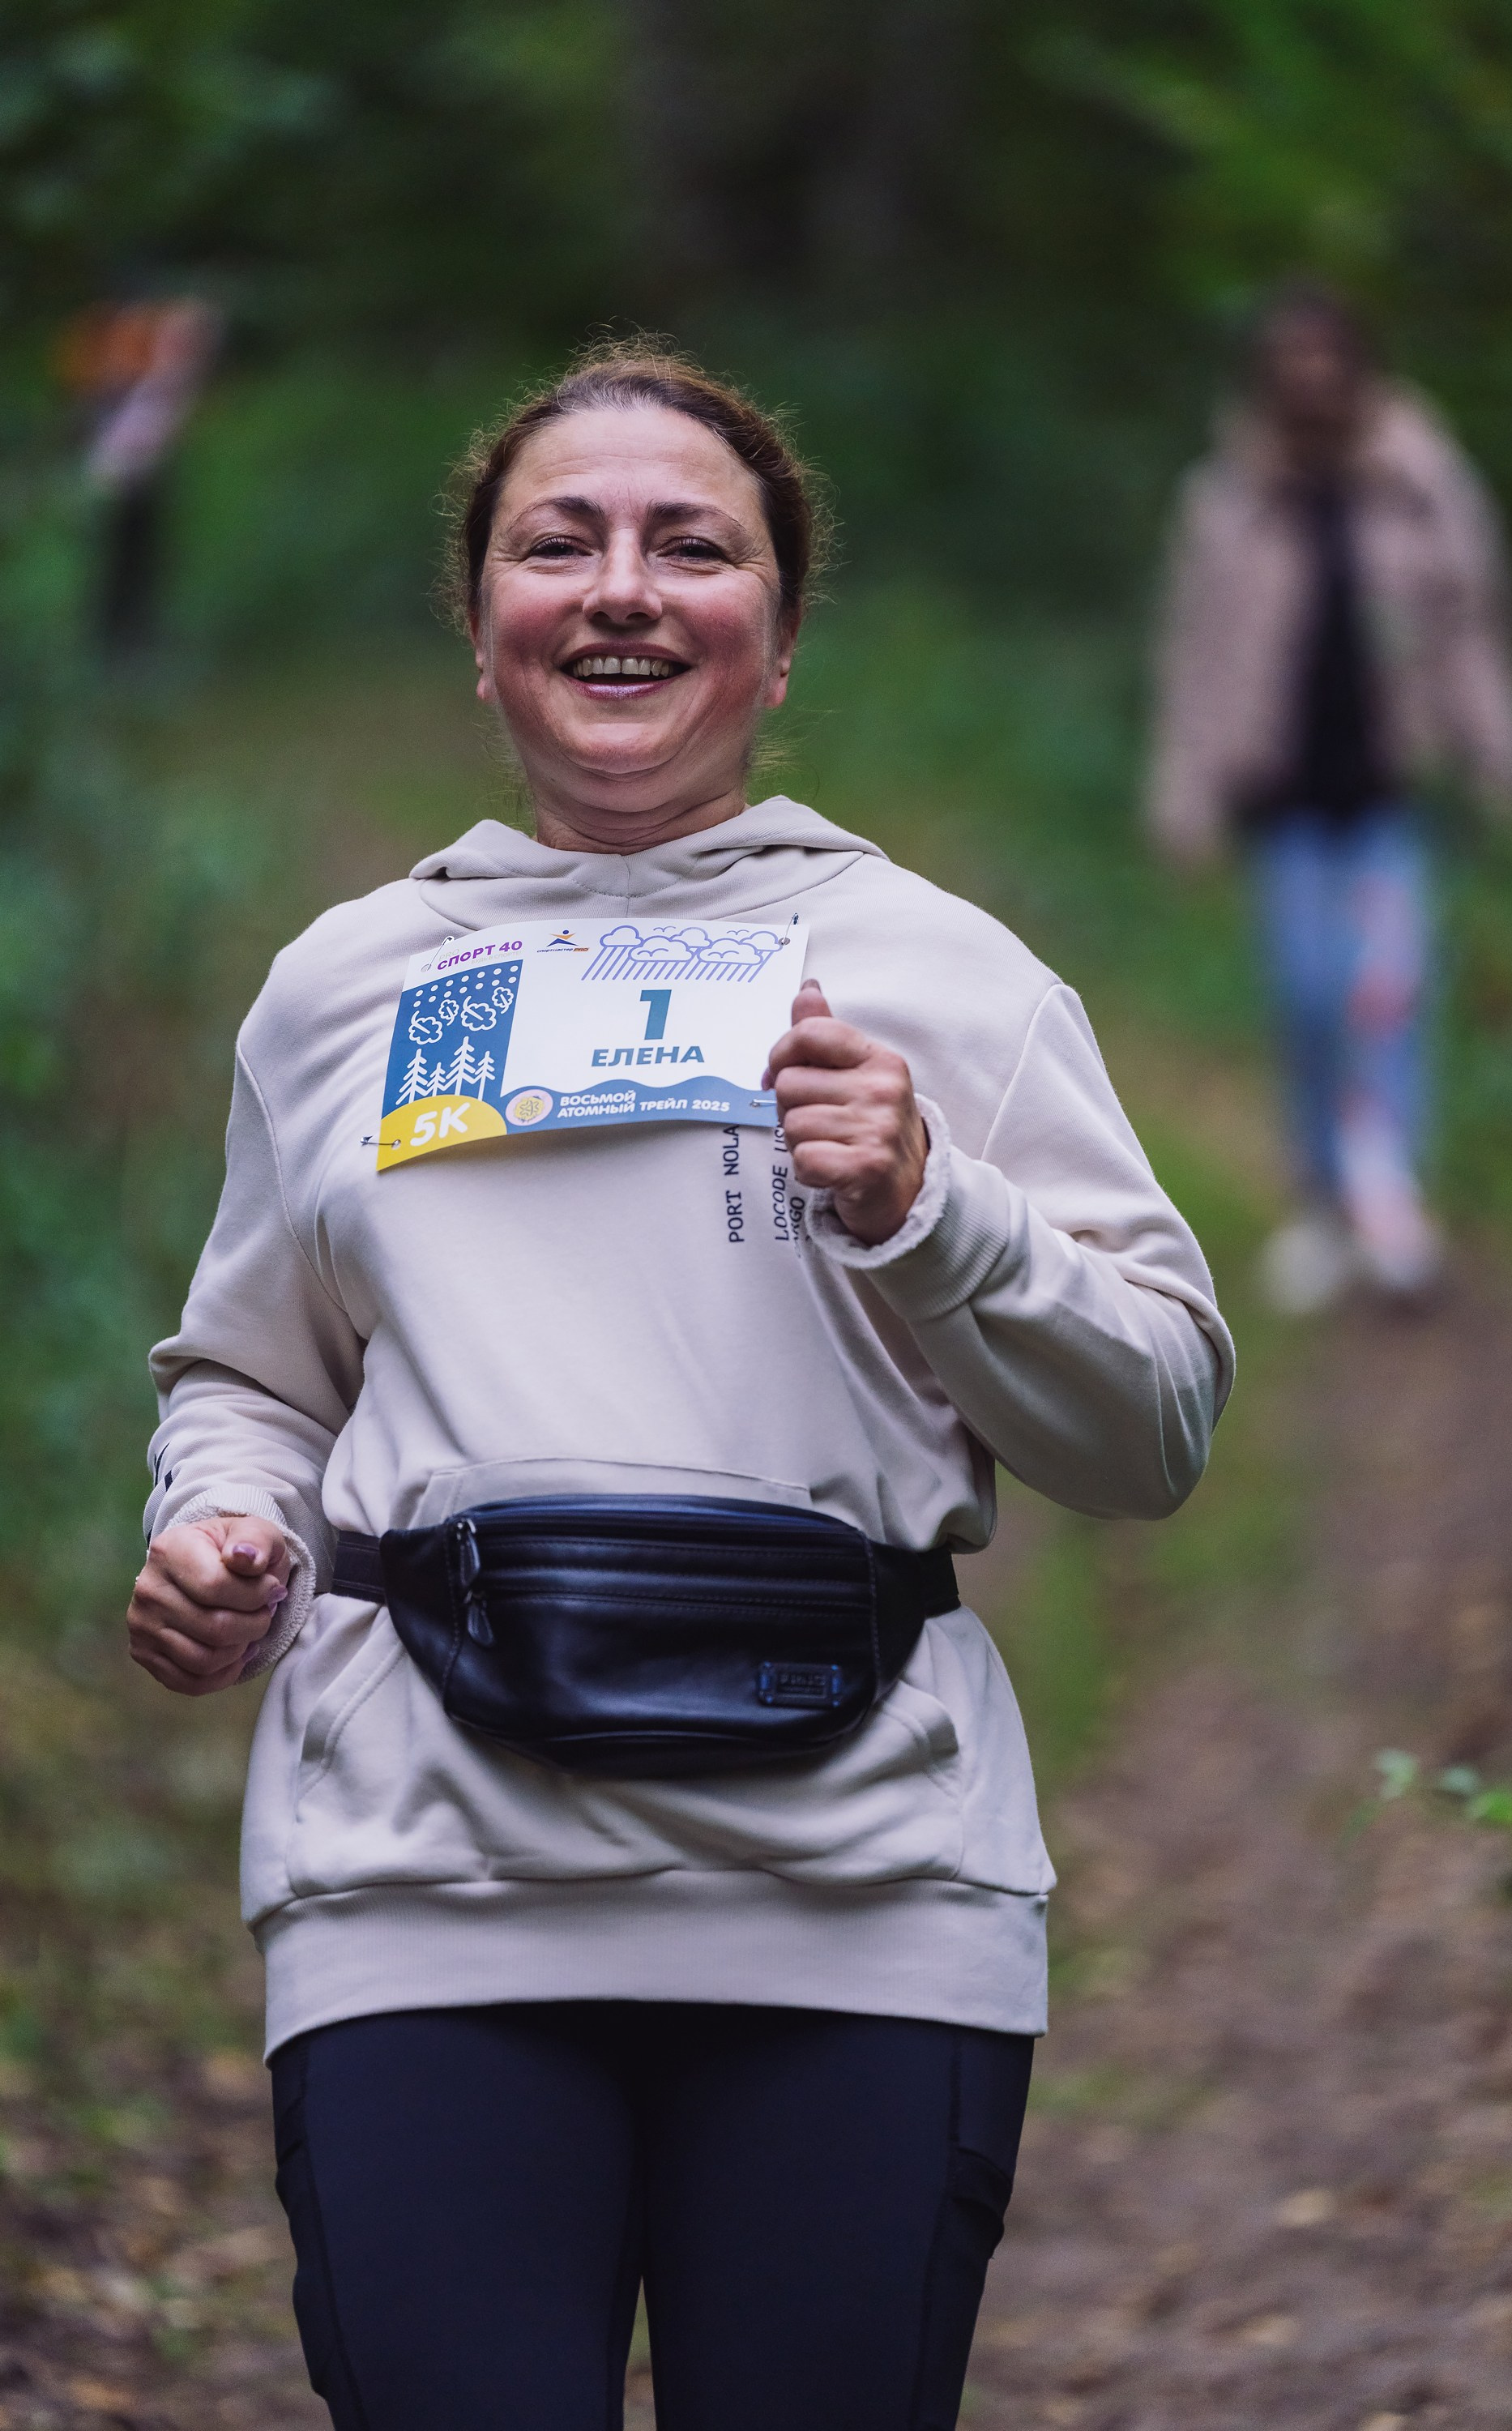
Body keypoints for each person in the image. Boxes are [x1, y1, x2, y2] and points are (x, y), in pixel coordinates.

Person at [126, 344, 1233, 2431]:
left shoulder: (945, 973)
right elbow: (251, 1374)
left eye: (690, 546)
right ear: (481, 632)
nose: (621, 585)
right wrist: (216, 1525)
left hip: (860, 1898)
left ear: (779, 639)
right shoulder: (347, 984)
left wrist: (932, 1206)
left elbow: (1156, 1422)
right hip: (416, 1884)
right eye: (560, 542)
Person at [1146, 283, 1512, 1311]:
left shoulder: (1419, 482)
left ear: (1359, 367)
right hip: (1282, 799)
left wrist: (1500, 762)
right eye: (1292, 362)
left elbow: (1469, 631)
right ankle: (1319, 1199)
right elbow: (1196, 655)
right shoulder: (1228, 498)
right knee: (1309, 998)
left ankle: (1388, 1195)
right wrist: (1183, 797)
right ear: (1269, 378)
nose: (1311, 380)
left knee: (1388, 994)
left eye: (1329, 359)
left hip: (1384, 795)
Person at [57, 293, 220, 663]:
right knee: (120, 559)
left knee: (138, 557)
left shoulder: (149, 364)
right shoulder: (120, 352)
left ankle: (131, 642)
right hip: (120, 472)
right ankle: (116, 644)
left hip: (140, 473)